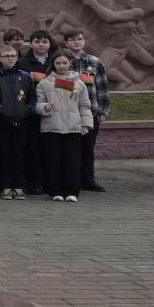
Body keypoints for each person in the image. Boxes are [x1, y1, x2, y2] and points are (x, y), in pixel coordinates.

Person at [34, 52, 93, 202]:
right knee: (53, 160)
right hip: (51, 127)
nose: (61, 66)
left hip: (73, 127)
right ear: (53, 64)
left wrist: (86, 124)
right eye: (58, 63)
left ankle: (72, 191)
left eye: (64, 63)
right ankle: (55, 191)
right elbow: (38, 104)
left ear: (70, 64)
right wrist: (44, 107)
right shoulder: (44, 83)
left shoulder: (79, 84)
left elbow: (85, 105)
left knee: (72, 161)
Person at [0, 45, 32, 200]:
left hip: (21, 121)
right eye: (6, 56)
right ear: (0, 58)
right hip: (0, 122)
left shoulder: (25, 76)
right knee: (3, 154)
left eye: (12, 56)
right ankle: (6, 186)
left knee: (19, 155)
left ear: (17, 57)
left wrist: (26, 110)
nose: (10, 58)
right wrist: (0, 111)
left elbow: (33, 98)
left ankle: (18, 186)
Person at [63, 30, 109, 193]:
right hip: (68, 112)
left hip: (90, 111)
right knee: (71, 148)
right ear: (66, 43)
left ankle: (88, 179)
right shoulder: (63, 61)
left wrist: (103, 110)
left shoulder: (94, 62)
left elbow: (102, 87)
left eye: (80, 39)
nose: (77, 42)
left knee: (88, 147)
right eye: (72, 39)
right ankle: (72, 180)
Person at [17, 29, 54, 195]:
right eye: (37, 41)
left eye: (44, 42)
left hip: (52, 111)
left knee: (49, 148)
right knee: (32, 148)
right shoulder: (23, 62)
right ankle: (33, 182)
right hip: (30, 112)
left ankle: (49, 182)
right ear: (31, 43)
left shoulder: (56, 61)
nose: (41, 45)